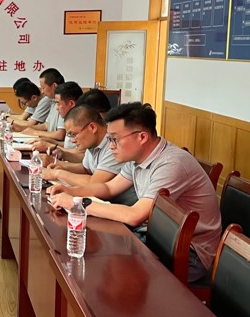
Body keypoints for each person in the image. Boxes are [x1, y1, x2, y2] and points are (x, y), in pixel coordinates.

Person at [49, 102, 221, 282]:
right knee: (96, 254)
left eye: (114, 139)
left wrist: (77, 203)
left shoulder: (171, 164)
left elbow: (135, 215)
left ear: (142, 137)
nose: (111, 146)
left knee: (100, 263)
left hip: (189, 255)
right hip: (159, 237)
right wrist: (71, 191)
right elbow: (109, 188)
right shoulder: (137, 158)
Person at [40, 106, 138, 205]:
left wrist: (57, 173)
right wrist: (62, 168)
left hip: (120, 205)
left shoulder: (115, 147)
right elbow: (87, 169)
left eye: (74, 134)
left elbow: (94, 183)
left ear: (92, 127)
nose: (72, 140)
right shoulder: (93, 142)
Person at [25, 81, 83, 147]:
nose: (57, 108)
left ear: (71, 104)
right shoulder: (70, 118)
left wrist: (52, 146)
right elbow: (68, 145)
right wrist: (49, 141)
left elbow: (78, 151)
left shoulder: (81, 122)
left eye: (58, 103)